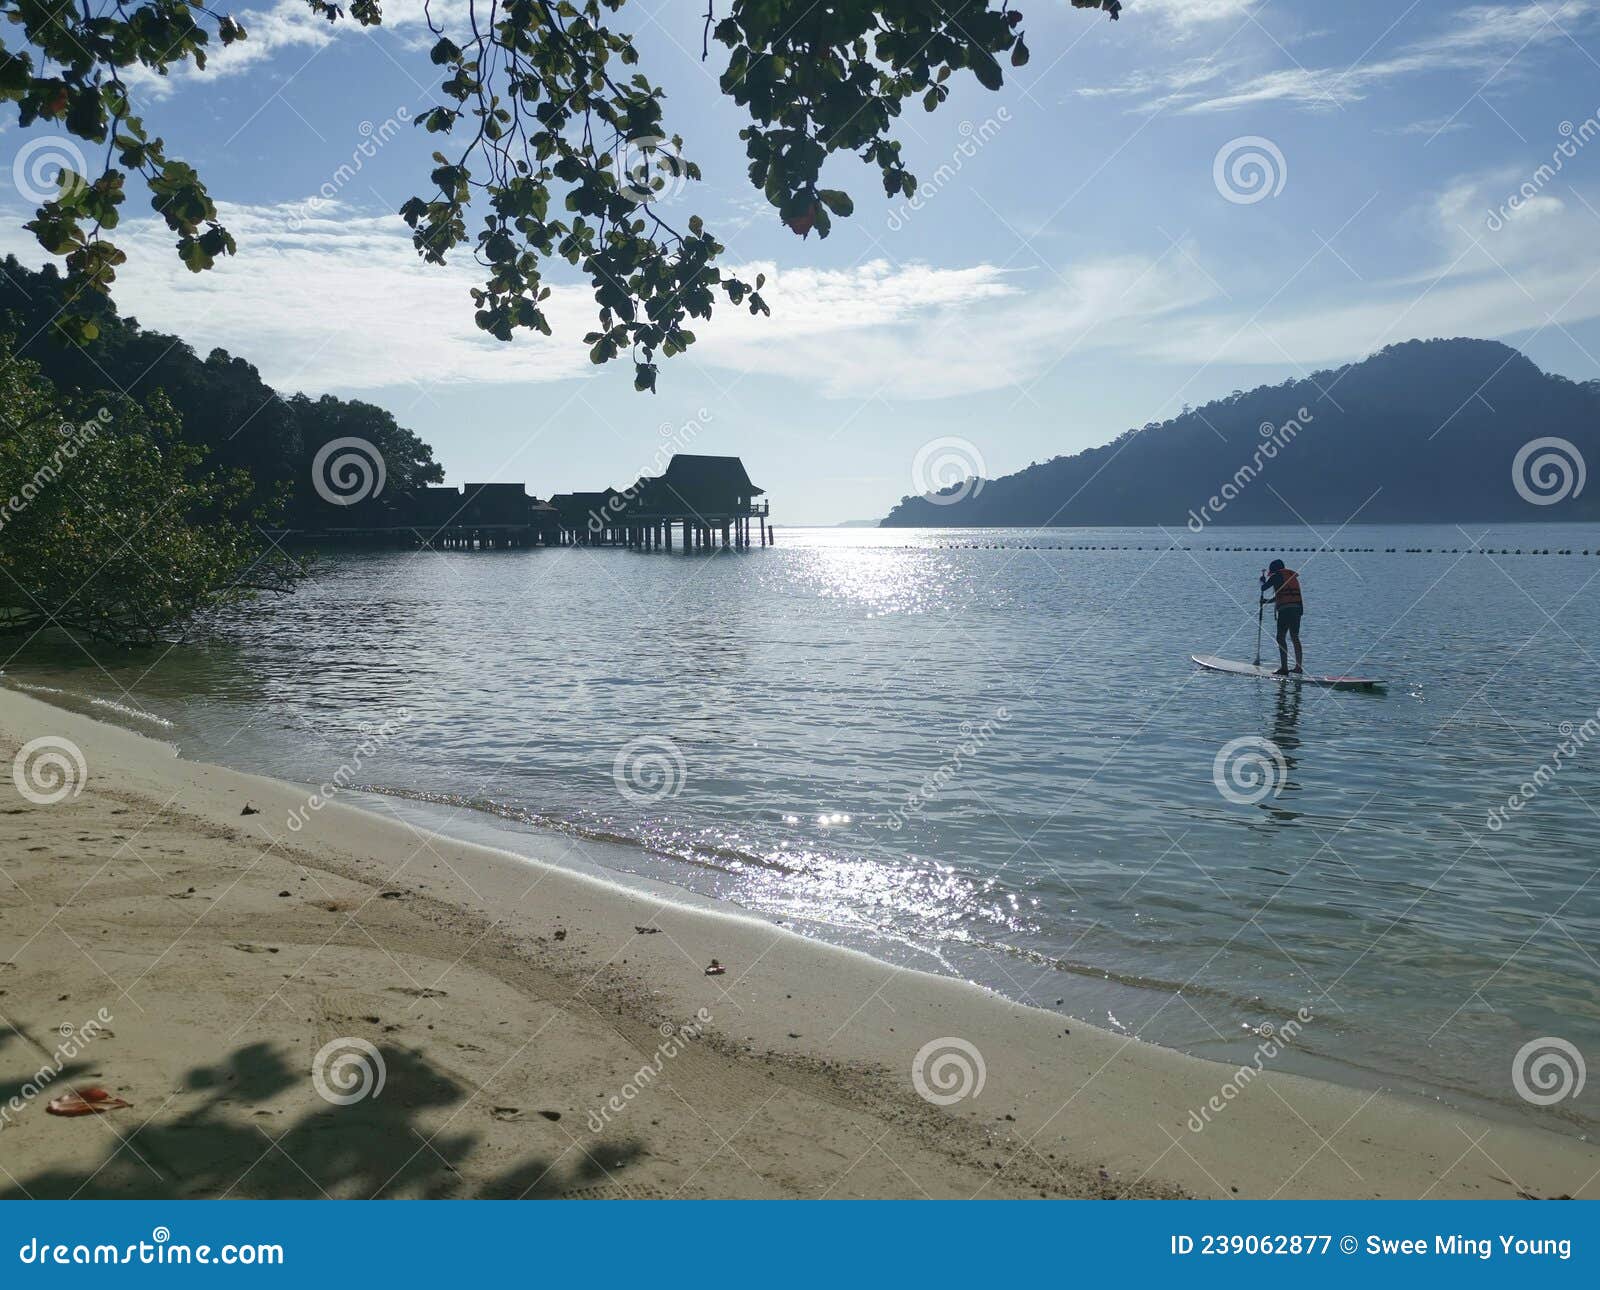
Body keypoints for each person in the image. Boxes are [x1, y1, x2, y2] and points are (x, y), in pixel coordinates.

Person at [1259, 559, 1304, 676]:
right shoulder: (1290, 576)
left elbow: (1263, 588)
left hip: (1285, 611)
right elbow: (1282, 595)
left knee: (1280, 637)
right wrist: (1267, 601)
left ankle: (1284, 668)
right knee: (1295, 637)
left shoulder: (1276, 576)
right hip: (1297, 609)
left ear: (1275, 570)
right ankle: (1298, 668)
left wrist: (1262, 581)